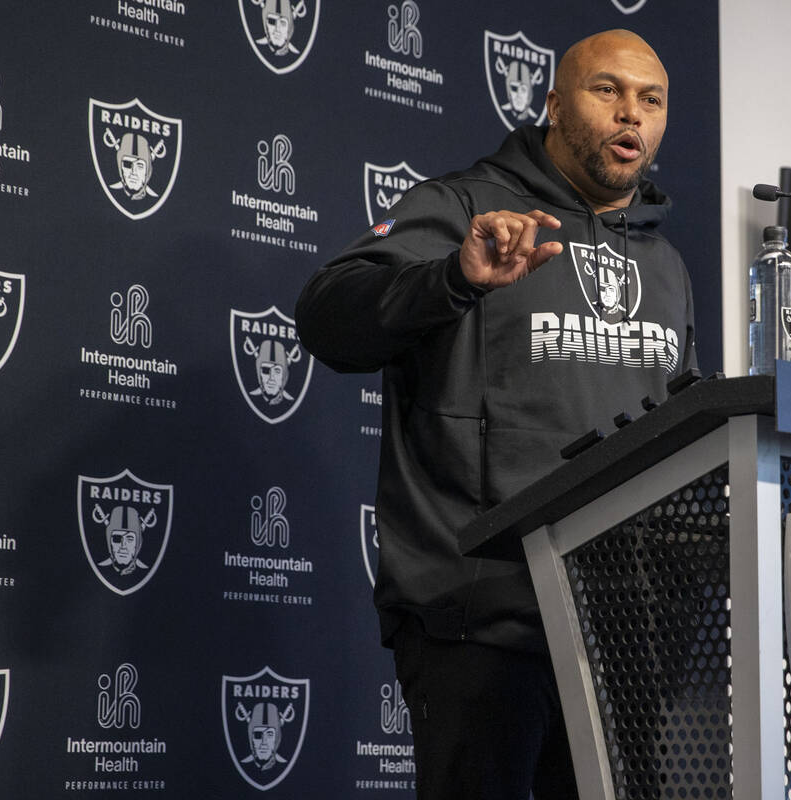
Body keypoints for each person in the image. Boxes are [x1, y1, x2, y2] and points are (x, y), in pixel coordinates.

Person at [296, 29, 697, 799]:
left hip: (621, 642)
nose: (631, 114)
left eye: (651, 99)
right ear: (553, 102)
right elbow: (326, 315)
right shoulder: (465, 208)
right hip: (481, 621)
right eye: (606, 89)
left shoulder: (666, 264)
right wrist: (454, 276)